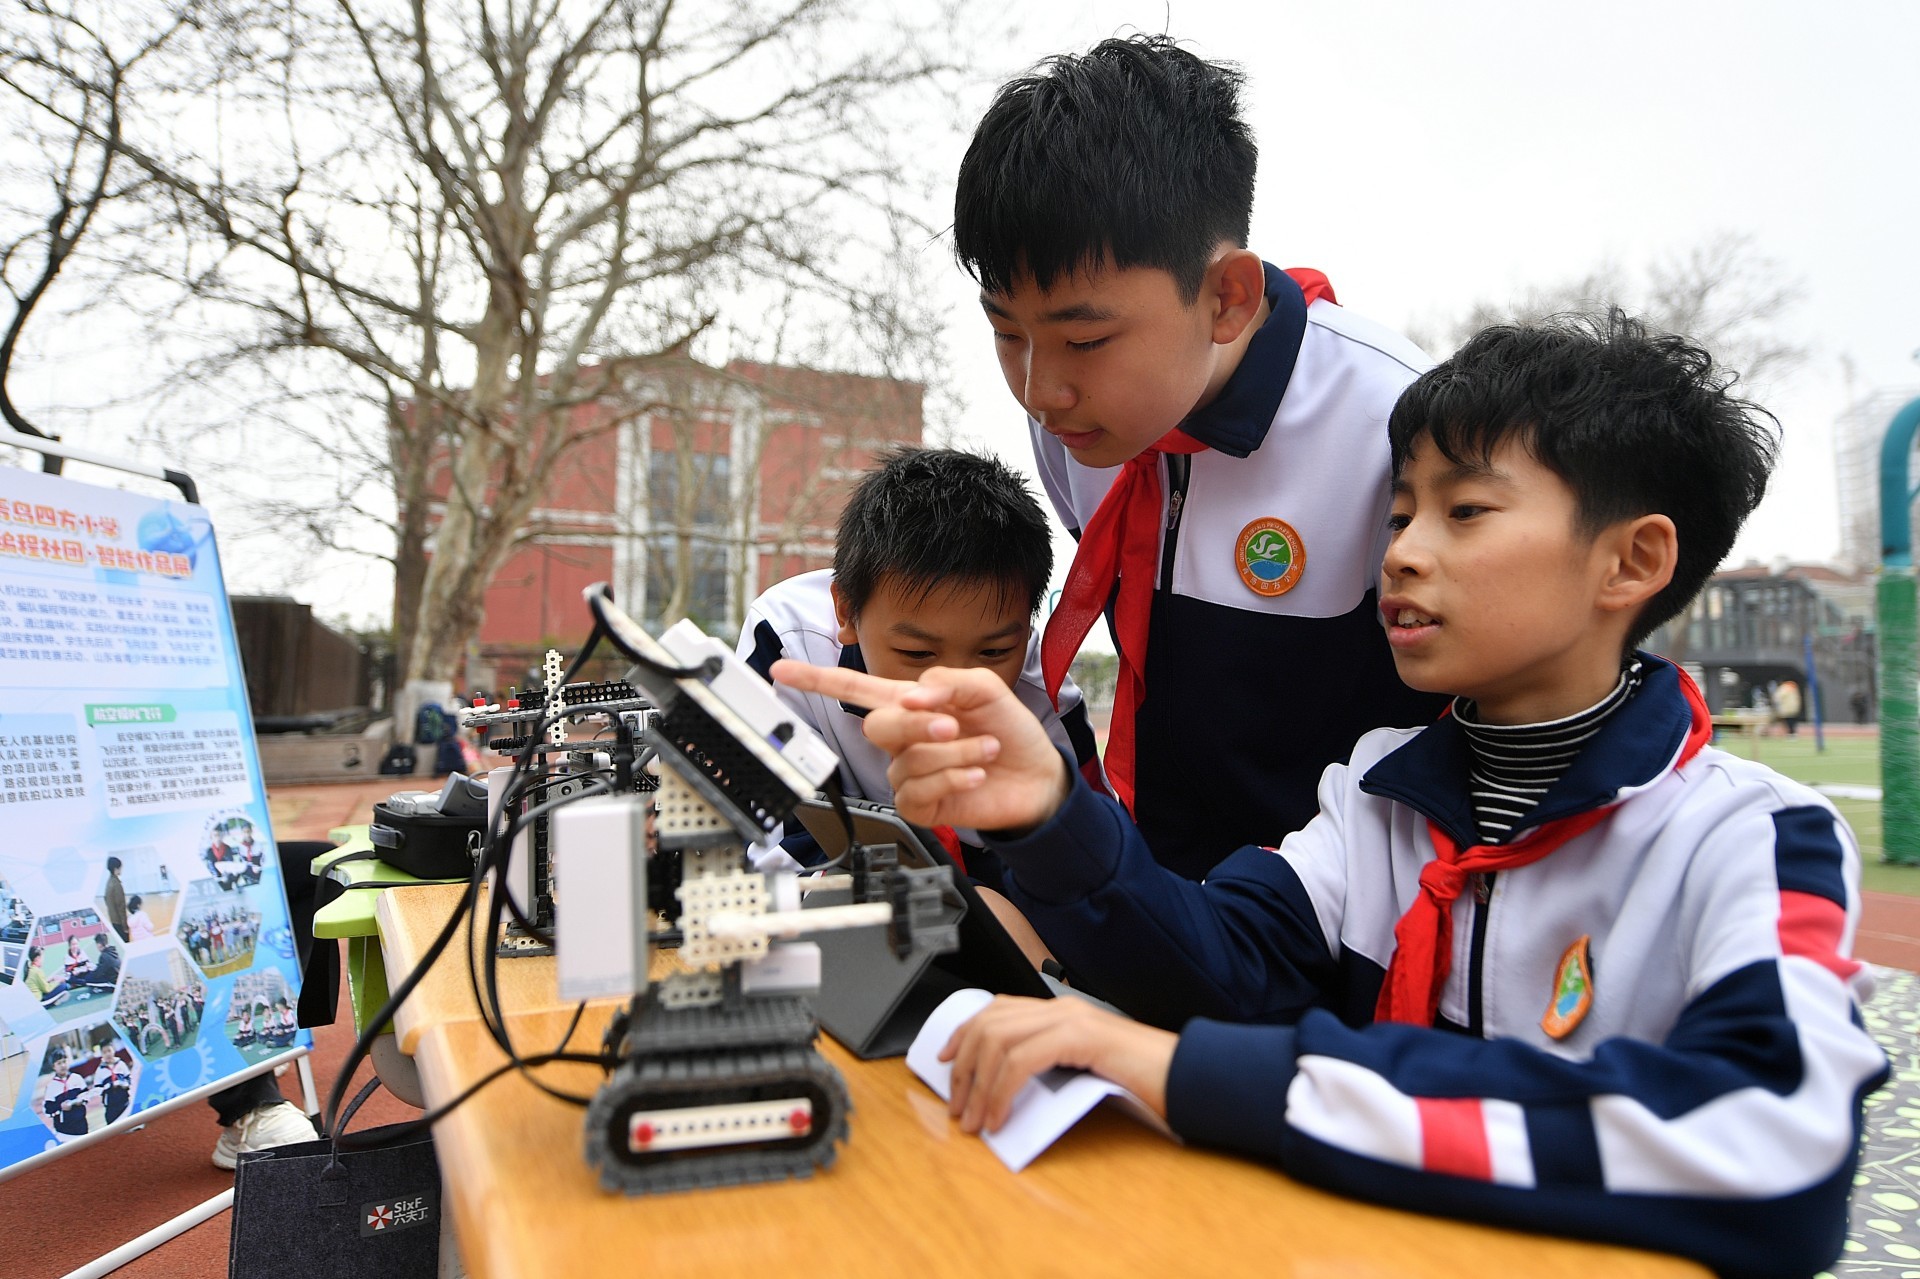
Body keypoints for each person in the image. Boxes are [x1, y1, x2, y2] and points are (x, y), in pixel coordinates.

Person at [774, 314, 1888, 1277]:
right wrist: (1052, 819)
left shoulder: (1752, 837)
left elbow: (1773, 1138)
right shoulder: (1378, 801)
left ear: (1631, 562)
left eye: (1464, 513)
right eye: (1399, 514)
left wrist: (1198, 1073)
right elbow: (1212, 963)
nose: (1400, 553)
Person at [954, 36, 1448, 880]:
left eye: (1084, 338)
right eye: (1006, 331)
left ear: (1227, 297)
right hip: (1152, 897)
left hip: (1329, 920)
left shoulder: (1396, 427)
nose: (1040, 391)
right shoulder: (1076, 425)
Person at [737, 446, 1104, 888]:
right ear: (846, 612)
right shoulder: (786, 641)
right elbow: (775, 846)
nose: (951, 690)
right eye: (918, 654)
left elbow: (1090, 875)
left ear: (1027, 626)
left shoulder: (1045, 700)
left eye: (993, 653)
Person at [42, 1052, 91, 1137]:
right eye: (59, 1063)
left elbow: (87, 1095)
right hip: (64, 1128)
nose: (63, 1065)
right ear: (54, 1067)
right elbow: (47, 1110)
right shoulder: (51, 1086)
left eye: (64, 1061)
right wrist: (60, 1106)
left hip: (81, 1123)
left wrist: (81, 1099)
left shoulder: (77, 1078)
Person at [103, 856, 129, 942]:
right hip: (120, 922)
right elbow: (121, 907)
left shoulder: (108, 882)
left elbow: (106, 899)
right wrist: (125, 926)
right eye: (120, 868)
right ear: (116, 868)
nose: (121, 870)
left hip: (113, 920)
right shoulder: (117, 885)